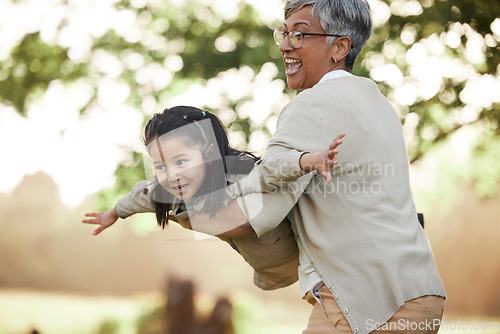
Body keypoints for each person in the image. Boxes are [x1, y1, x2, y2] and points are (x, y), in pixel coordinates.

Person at [111, 1, 445, 333]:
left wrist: (182, 207)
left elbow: (259, 214)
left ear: (339, 47)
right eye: (283, 33)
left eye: (299, 35)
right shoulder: (378, 103)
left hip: (365, 301)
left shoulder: (310, 107)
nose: (285, 45)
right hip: (421, 291)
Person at [83, 105, 344, 291]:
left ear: (208, 154)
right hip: (273, 268)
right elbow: (139, 195)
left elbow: (271, 172)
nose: (172, 175)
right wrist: (114, 213)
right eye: (160, 166)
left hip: (303, 250)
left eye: (181, 161)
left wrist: (307, 161)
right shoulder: (167, 192)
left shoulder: (240, 171)